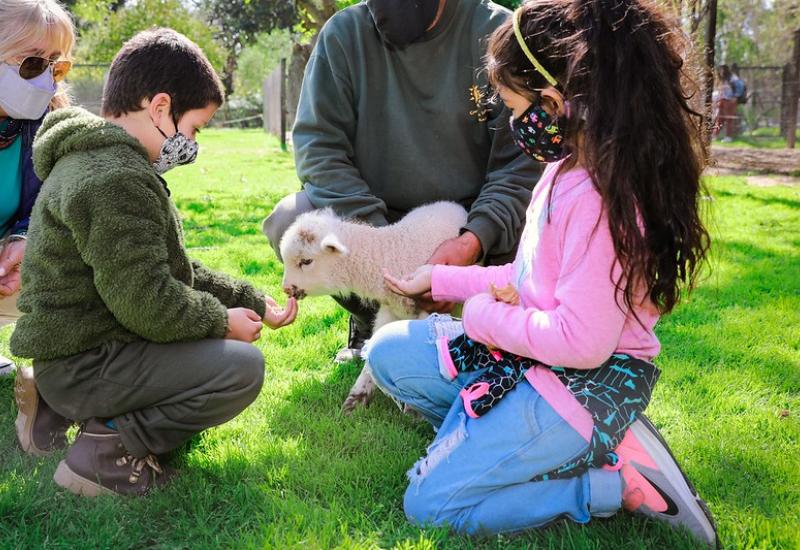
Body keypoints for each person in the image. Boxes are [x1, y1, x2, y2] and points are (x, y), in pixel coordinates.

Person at [368, 0, 719, 545]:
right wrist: (438, 282)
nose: (512, 123)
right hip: (533, 359)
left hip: (578, 387)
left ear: (554, 102)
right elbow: (531, 276)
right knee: (388, 350)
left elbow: (581, 344)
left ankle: (603, 483)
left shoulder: (601, 201)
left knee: (429, 504)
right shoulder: (565, 168)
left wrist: (481, 316)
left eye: (514, 107)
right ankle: (506, 443)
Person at [10, 28, 298, 496]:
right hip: (86, 361)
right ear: (160, 107)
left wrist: (250, 300)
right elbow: (147, 302)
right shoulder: (115, 179)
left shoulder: (100, 162)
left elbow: (170, 269)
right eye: (194, 129)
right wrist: (221, 322)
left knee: (217, 360)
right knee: (239, 368)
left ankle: (55, 404)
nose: (192, 143)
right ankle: (106, 451)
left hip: (75, 353)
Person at [262, 0, 542, 363]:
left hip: (471, 226)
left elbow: (520, 167)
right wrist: (383, 248)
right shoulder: (343, 35)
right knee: (289, 217)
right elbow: (320, 148)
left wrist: (474, 241)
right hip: (379, 223)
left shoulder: (497, 33)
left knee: (543, 227)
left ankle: (484, 336)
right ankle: (376, 322)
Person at [0, 0, 75, 377]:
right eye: (32, 63)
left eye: (55, 65)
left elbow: (51, 201)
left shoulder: (46, 124)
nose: (47, 81)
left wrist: (26, 237)